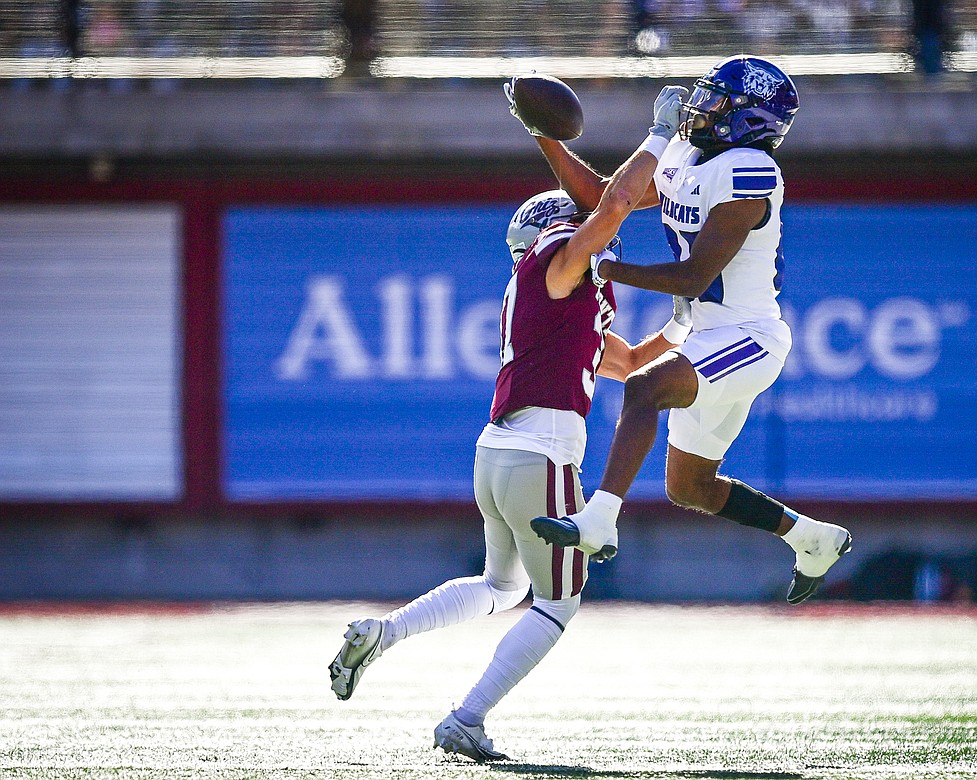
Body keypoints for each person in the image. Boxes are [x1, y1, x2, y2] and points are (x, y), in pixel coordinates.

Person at [327, 96, 691, 761]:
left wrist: (681, 324)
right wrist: (660, 136)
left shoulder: (548, 295)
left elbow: (632, 360)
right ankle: (466, 718)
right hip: (542, 454)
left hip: (498, 454)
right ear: (559, 228)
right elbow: (610, 206)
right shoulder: (558, 261)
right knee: (558, 605)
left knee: (503, 587)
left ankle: (383, 633)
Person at [512, 55, 853, 605]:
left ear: (749, 118)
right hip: (709, 335)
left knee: (645, 385)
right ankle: (812, 539)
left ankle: (599, 519)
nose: (701, 107)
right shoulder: (689, 154)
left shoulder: (751, 169)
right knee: (689, 487)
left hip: (750, 336)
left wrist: (607, 267)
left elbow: (697, 275)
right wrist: (543, 134)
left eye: (718, 99)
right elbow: (603, 199)